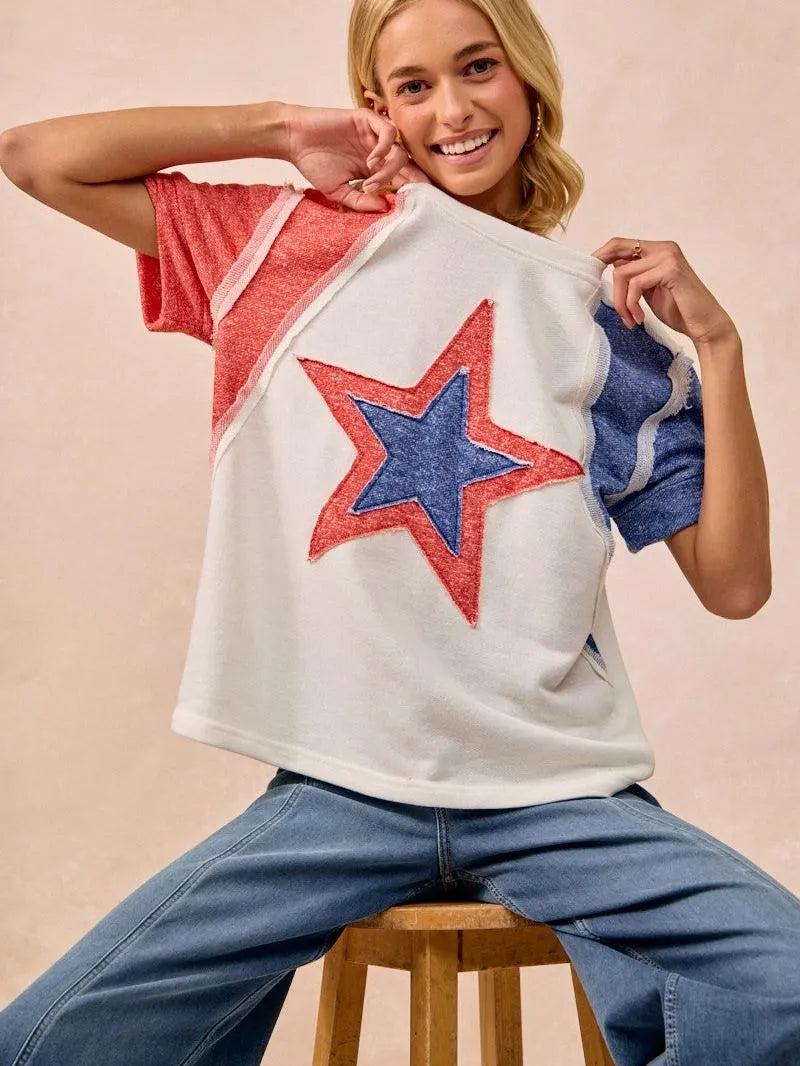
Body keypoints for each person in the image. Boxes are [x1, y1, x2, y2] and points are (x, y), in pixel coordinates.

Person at [0, 0, 796, 1063]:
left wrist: (719, 348)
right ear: (376, 106)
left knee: (786, 984)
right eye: (414, 87)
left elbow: (735, 584)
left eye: (479, 67)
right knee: (46, 1041)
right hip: (340, 792)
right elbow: (36, 157)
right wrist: (279, 128)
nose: (453, 109)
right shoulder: (286, 246)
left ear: (528, 79)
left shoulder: (605, 326)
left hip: (560, 792)